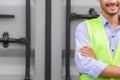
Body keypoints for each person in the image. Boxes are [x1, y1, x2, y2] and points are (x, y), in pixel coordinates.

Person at [75, 0, 120, 80]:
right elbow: (85, 65)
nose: (113, 1)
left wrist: (97, 63)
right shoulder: (84, 28)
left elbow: (93, 67)